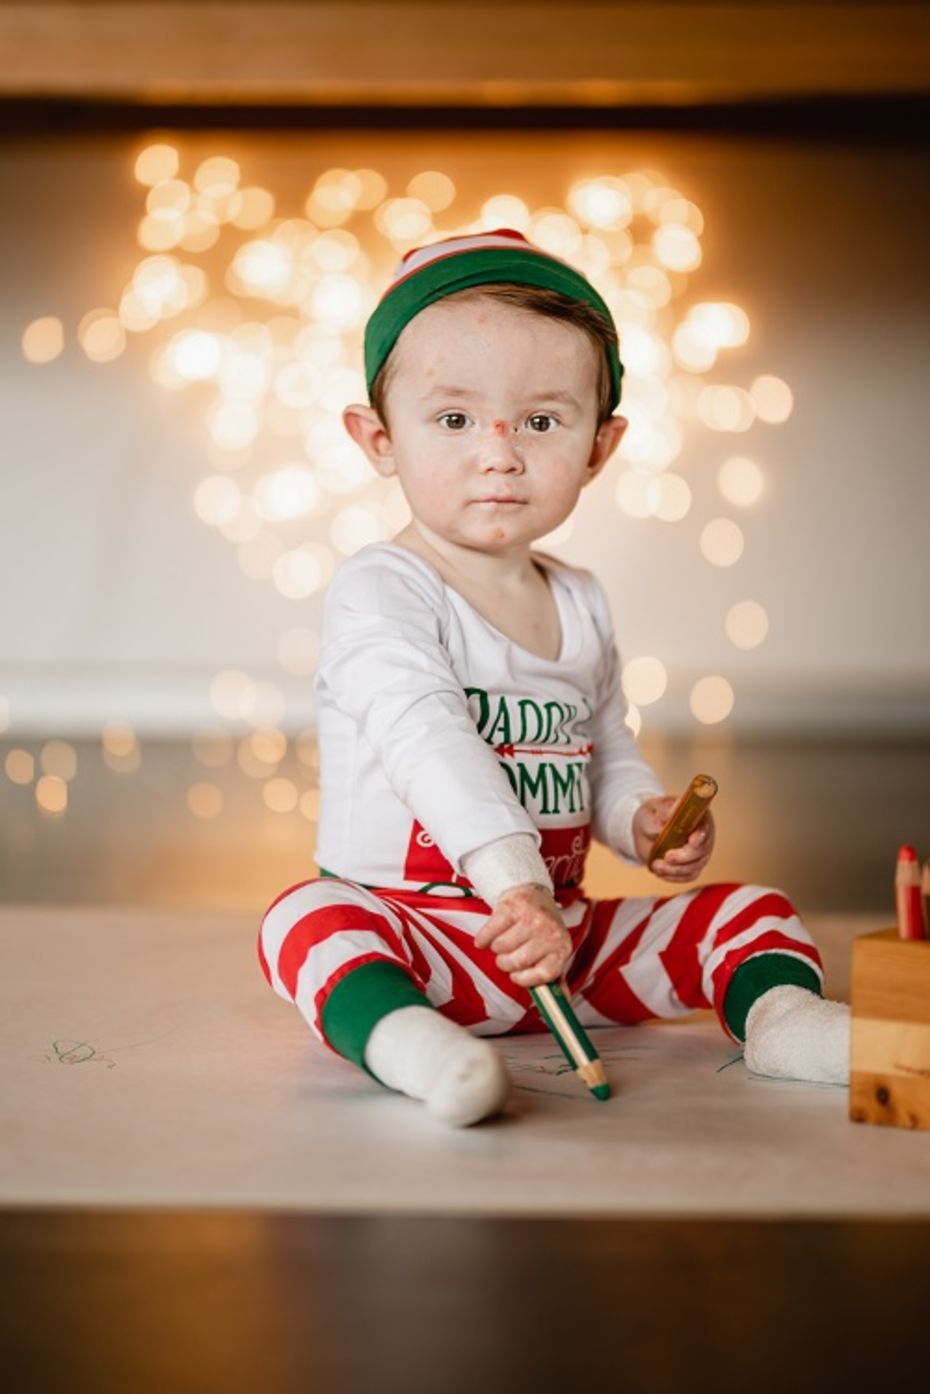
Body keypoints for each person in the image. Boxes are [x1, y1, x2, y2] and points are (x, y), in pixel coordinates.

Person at [257, 227, 850, 1127]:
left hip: (561, 946)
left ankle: (785, 1023)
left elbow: (600, 745)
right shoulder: (383, 589)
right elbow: (429, 741)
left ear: (599, 448)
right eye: (454, 420)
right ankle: (412, 1044)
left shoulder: (580, 598)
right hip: (423, 934)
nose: (499, 453)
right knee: (303, 922)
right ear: (378, 439)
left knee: (750, 911)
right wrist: (514, 887)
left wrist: (642, 819)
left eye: (541, 421)